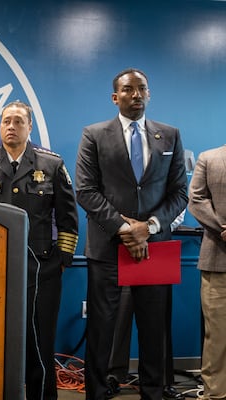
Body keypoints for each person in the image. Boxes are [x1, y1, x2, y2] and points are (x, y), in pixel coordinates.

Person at [75, 68, 188, 400]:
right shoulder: (93, 135)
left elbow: (179, 192)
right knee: (101, 328)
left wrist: (149, 228)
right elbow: (86, 191)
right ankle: (96, 391)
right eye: (128, 89)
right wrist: (126, 229)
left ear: (148, 94)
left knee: (154, 331)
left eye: (142, 89)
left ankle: (153, 392)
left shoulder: (170, 135)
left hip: (155, 247)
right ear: (115, 97)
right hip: (109, 246)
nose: (136, 94)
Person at [0, 101, 78, 400]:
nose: (11, 126)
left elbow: (69, 218)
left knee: (40, 345)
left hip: (42, 270)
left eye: (18, 121)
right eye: (6, 120)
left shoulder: (51, 164)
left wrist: (61, 260)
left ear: (29, 127)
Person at [106, 212, 187, 399]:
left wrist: (149, 229)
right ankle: (113, 375)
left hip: (159, 243)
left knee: (159, 322)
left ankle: (163, 381)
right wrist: (132, 231)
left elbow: (177, 210)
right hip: (126, 244)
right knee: (121, 316)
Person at [188, 145, 226, 399]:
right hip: (218, 260)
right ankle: (215, 394)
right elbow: (197, 199)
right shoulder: (209, 158)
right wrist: (222, 228)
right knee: (218, 336)